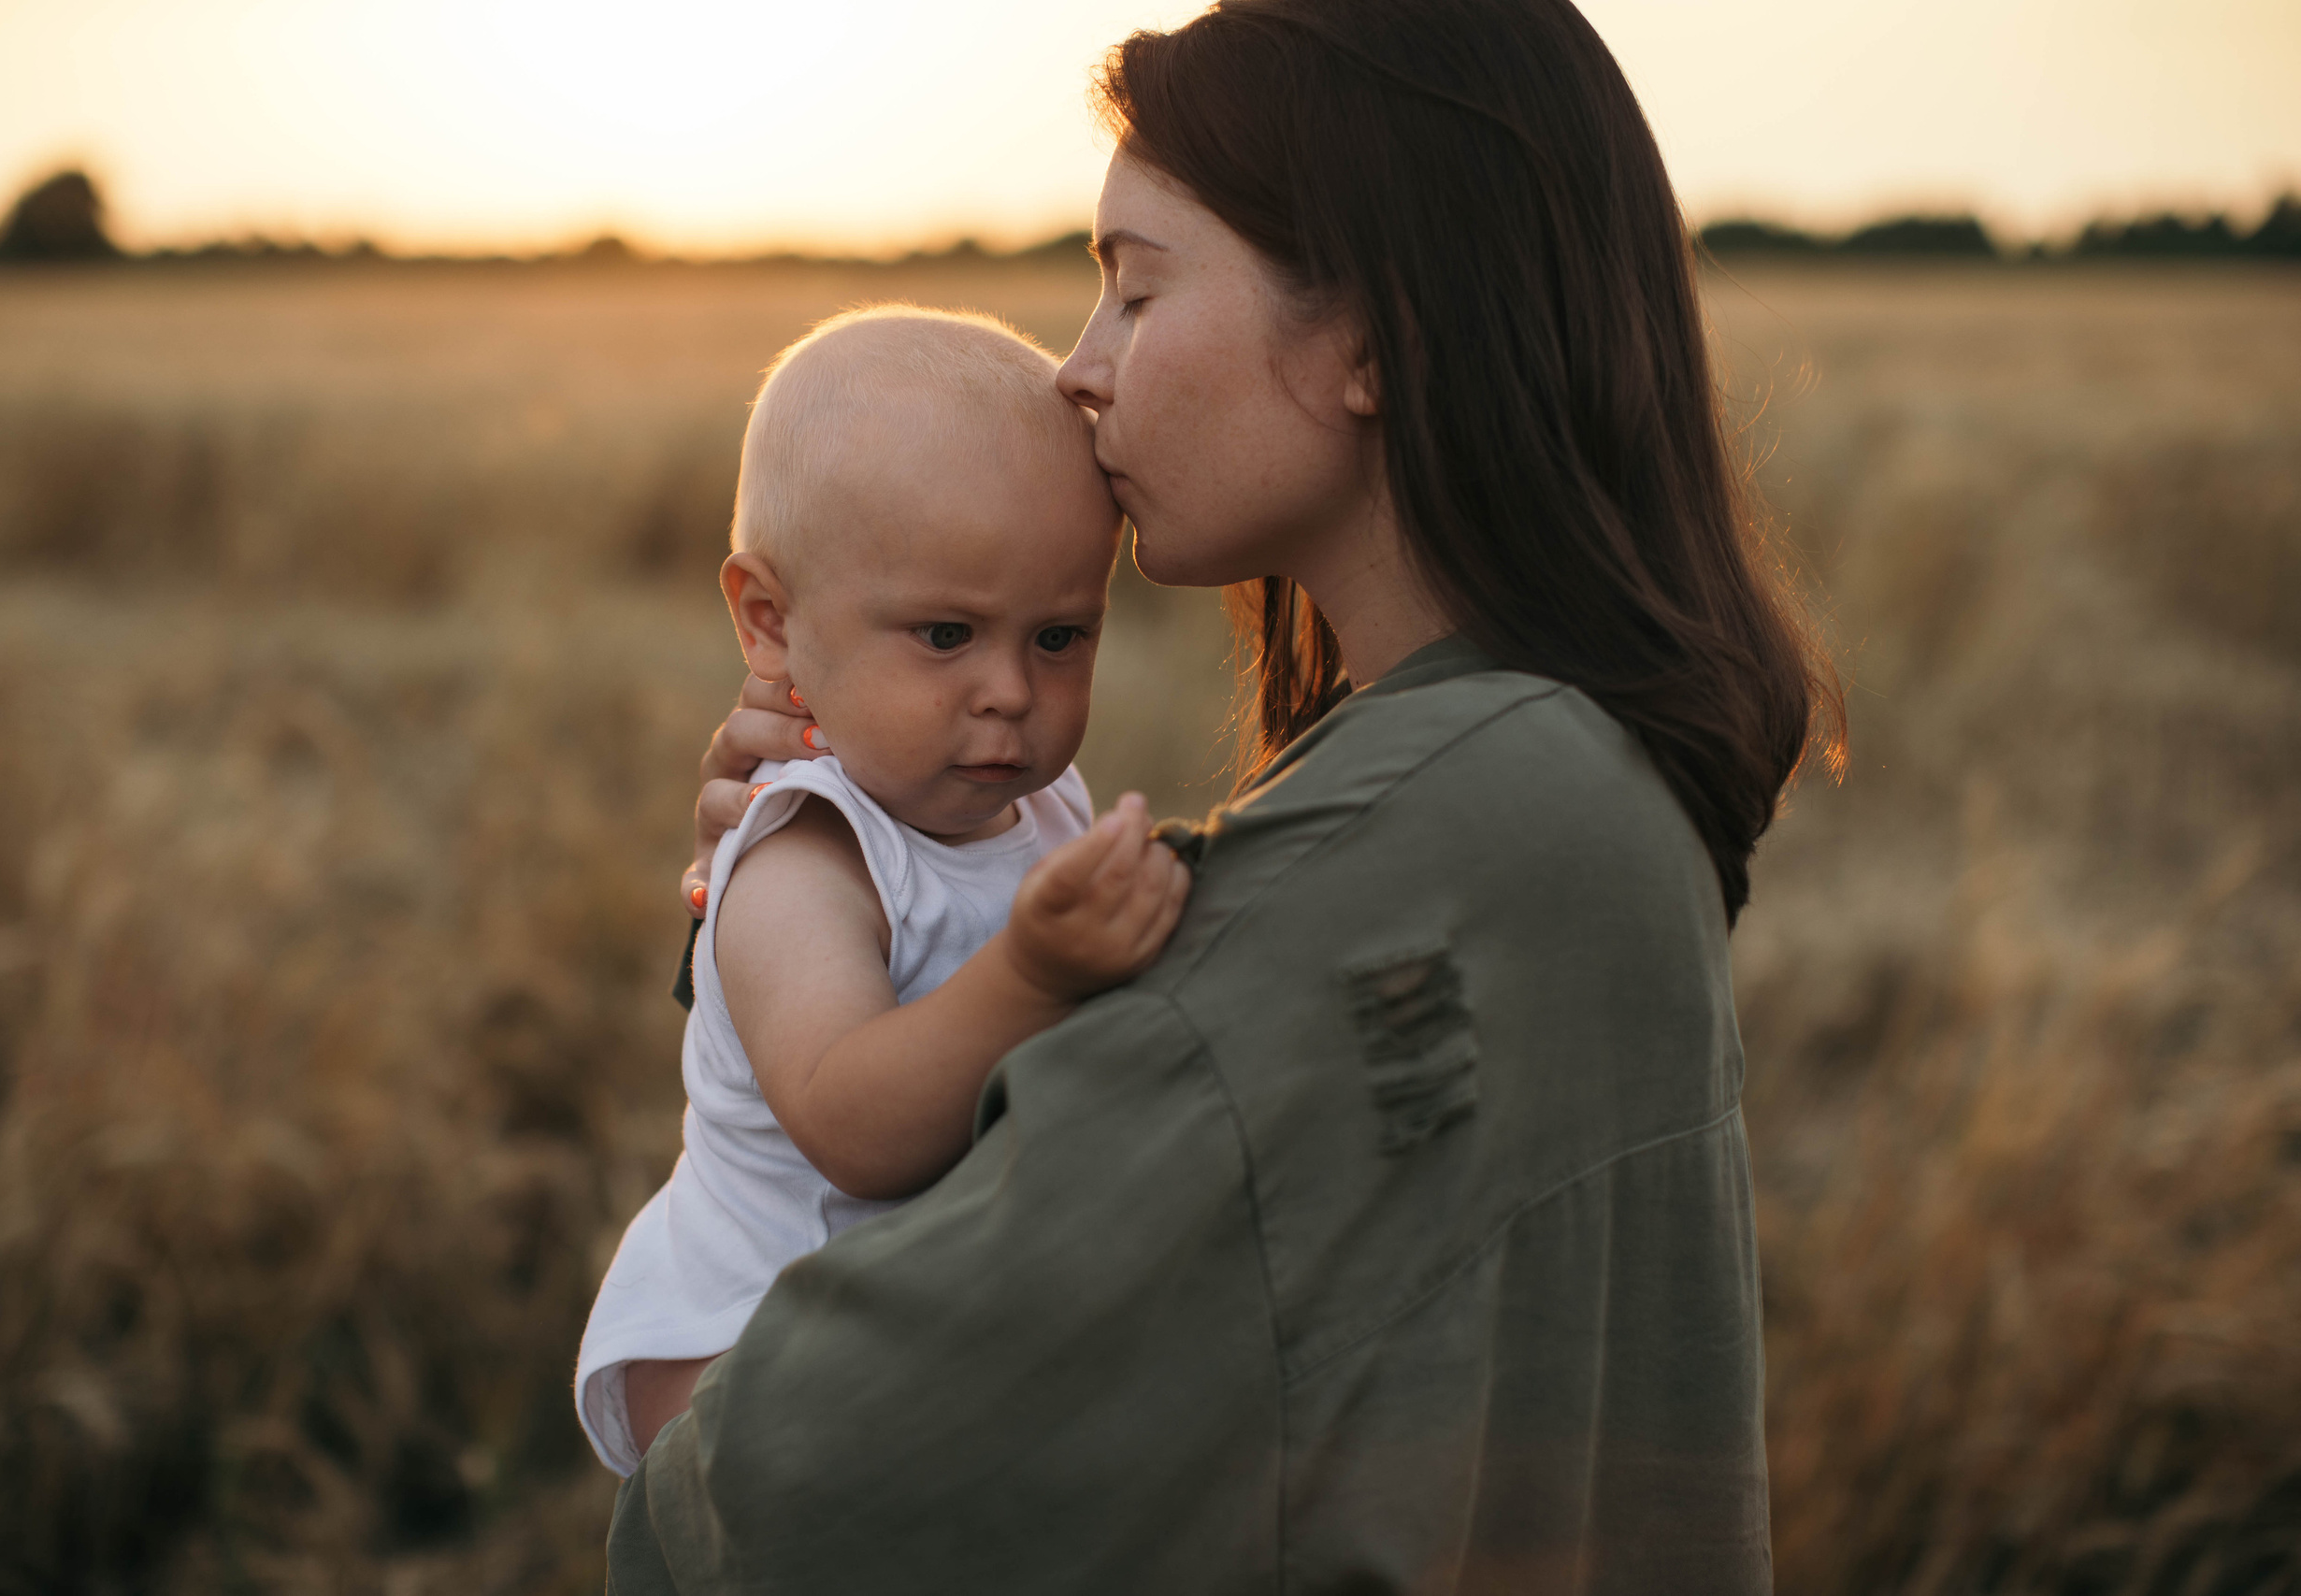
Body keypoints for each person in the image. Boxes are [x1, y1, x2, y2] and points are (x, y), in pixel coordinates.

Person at [611, 0, 1842, 1589]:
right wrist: (818, 915)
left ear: (1374, 338)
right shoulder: (1565, 769)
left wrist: (683, 1477)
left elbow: (789, 1502)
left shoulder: (1419, 841)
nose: (1078, 371)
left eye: (1134, 288)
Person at [573, 307, 1190, 1475]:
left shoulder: (1047, 807)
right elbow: (853, 1123)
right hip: (755, 1357)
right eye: (946, 634)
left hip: (920, 1348)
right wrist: (1036, 973)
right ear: (770, 622)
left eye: (1061, 637)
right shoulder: (806, 855)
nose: (1009, 691)